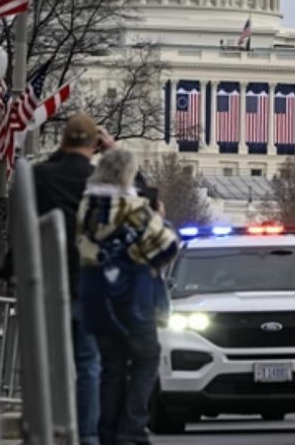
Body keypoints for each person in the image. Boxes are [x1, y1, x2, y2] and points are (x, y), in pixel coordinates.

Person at [78, 147, 179, 445]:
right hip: (134, 300)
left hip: (98, 298)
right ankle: (133, 426)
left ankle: (108, 431)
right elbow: (168, 247)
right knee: (147, 359)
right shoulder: (133, 209)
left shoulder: (87, 206)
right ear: (126, 175)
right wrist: (139, 250)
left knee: (112, 366)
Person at [31, 112, 114, 445]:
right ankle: (87, 435)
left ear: (63, 143)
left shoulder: (41, 176)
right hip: (91, 284)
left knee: (46, 362)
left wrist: (62, 151)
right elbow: (147, 198)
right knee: (88, 363)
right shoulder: (102, 181)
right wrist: (112, 150)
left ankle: (48, 430)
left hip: (48, 282)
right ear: (95, 144)